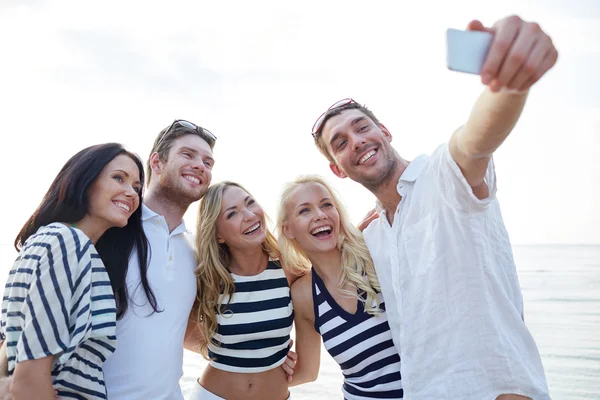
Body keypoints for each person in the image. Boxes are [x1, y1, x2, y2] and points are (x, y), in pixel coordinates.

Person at [309, 15, 558, 400]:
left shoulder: (444, 177)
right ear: (336, 169)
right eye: (339, 143)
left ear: (385, 132)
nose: (356, 141)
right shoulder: (372, 235)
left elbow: (475, 141)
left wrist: (510, 84)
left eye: (361, 127)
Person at [0, 143, 147, 399]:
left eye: (136, 187)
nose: (131, 193)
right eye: (118, 178)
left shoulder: (63, 243)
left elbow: (14, 343)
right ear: (85, 180)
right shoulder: (66, 241)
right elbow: (28, 378)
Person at [102, 120, 217, 399]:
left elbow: (183, 329)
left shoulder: (195, 252)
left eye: (208, 161)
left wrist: (261, 352)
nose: (201, 165)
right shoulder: (110, 229)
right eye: (187, 155)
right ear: (157, 162)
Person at [277, 175, 404, 399]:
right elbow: (306, 372)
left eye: (327, 205)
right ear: (288, 230)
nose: (320, 215)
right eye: (304, 210)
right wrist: (270, 365)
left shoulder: (376, 252)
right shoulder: (304, 295)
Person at [189, 181, 296, 400]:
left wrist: (272, 357)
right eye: (232, 214)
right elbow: (182, 331)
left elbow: (329, 270)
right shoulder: (207, 278)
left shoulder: (288, 268)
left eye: (250, 203)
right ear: (218, 235)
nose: (249, 215)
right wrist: (217, 349)